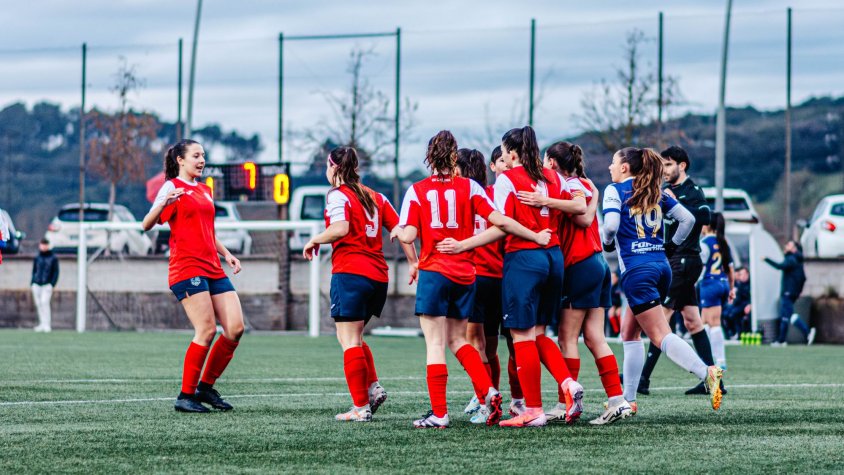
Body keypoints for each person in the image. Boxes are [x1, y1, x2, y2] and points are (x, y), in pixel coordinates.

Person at [392, 130, 551, 429]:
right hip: (466, 274)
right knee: (457, 339)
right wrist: (533, 236)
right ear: (454, 156)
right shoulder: (472, 188)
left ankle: (439, 413)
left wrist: (399, 232)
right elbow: (502, 223)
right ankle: (487, 391)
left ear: (429, 157)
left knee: (435, 344)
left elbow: (410, 234)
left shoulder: (417, 190)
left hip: (435, 271)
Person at [438, 126, 587, 427]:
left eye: (505, 151)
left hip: (524, 259)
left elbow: (503, 224)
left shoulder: (506, 180)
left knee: (521, 335)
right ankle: (568, 384)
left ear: (512, 153)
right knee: (539, 333)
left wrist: (463, 245)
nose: (503, 156)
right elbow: (580, 205)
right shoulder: (553, 177)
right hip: (553, 257)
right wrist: (548, 203)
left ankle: (532, 409)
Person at [602, 147, 723, 414]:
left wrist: (607, 243)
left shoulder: (615, 190)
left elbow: (610, 226)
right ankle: (629, 400)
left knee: (659, 334)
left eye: (613, 162)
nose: (610, 167)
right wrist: (671, 246)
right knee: (629, 333)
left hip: (637, 271)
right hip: (662, 267)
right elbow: (688, 219)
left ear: (624, 168)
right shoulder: (654, 191)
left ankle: (707, 373)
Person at [303, 146, 419, 422]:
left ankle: (360, 407)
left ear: (333, 167)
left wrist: (314, 239)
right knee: (352, 337)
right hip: (378, 276)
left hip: (351, 273)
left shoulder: (337, 195)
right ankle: (372, 387)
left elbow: (340, 228)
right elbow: (403, 230)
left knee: (349, 340)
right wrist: (414, 262)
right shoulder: (376, 196)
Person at [519, 141, 631, 425]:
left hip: (579, 265)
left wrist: (544, 201)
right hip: (596, 265)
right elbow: (588, 210)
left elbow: (583, 216)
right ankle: (617, 400)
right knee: (595, 337)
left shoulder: (570, 184)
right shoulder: (583, 183)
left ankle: (565, 403)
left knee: (567, 338)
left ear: (553, 163)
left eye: (545, 160)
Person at [142, 139, 246, 413]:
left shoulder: (205, 189)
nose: (202, 160)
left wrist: (226, 254)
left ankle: (205, 388)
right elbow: (146, 224)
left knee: (235, 328)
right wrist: (164, 202)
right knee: (207, 330)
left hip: (213, 266)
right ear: (181, 160)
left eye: (203, 155)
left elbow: (208, 232)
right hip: (187, 267)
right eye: (196, 155)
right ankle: (185, 396)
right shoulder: (171, 187)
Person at [637, 145, 720, 397]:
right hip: (675, 259)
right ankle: (715, 379)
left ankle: (642, 378)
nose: (664, 169)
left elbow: (706, 216)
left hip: (685, 260)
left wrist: (679, 205)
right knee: (693, 321)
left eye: (669, 164)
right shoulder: (665, 191)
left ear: (682, 166)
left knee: (659, 318)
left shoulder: (691, 190)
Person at [697, 212, 734, 369]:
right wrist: (732, 288)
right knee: (704, 321)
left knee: (713, 323)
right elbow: (730, 269)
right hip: (722, 283)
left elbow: (700, 266)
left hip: (709, 284)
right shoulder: (723, 242)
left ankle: (719, 361)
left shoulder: (705, 243)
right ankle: (708, 358)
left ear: (708, 225)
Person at [764, 241, 816, 346]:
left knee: (788, 316)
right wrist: (798, 291)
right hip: (792, 293)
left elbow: (779, 266)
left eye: (789, 245)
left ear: (794, 249)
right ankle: (781, 340)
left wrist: (766, 259)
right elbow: (803, 278)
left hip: (788, 292)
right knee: (786, 316)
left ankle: (806, 332)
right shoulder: (797, 260)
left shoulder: (791, 259)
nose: (786, 246)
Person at [31, 238, 60, 332]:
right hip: (37, 283)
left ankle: (47, 324)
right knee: (38, 304)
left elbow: (56, 272)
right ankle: (42, 323)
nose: (43, 246)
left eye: (45, 245)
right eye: (42, 244)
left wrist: (52, 284)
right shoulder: (37, 257)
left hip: (47, 284)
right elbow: (34, 270)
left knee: (44, 302)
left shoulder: (53, 258)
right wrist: (32, 282)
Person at [723, 267, 751, 338]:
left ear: (748, 274)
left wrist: (750, 304)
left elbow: (753, 297)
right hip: (739, 304)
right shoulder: (740, 283)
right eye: (741, 274)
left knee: (733, 313)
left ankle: (739, 334)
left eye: (743, 274)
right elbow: (737, 298)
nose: (742, 276)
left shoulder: (751, 283)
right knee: (725, 313)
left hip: (746, 305)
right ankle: (731, 333)